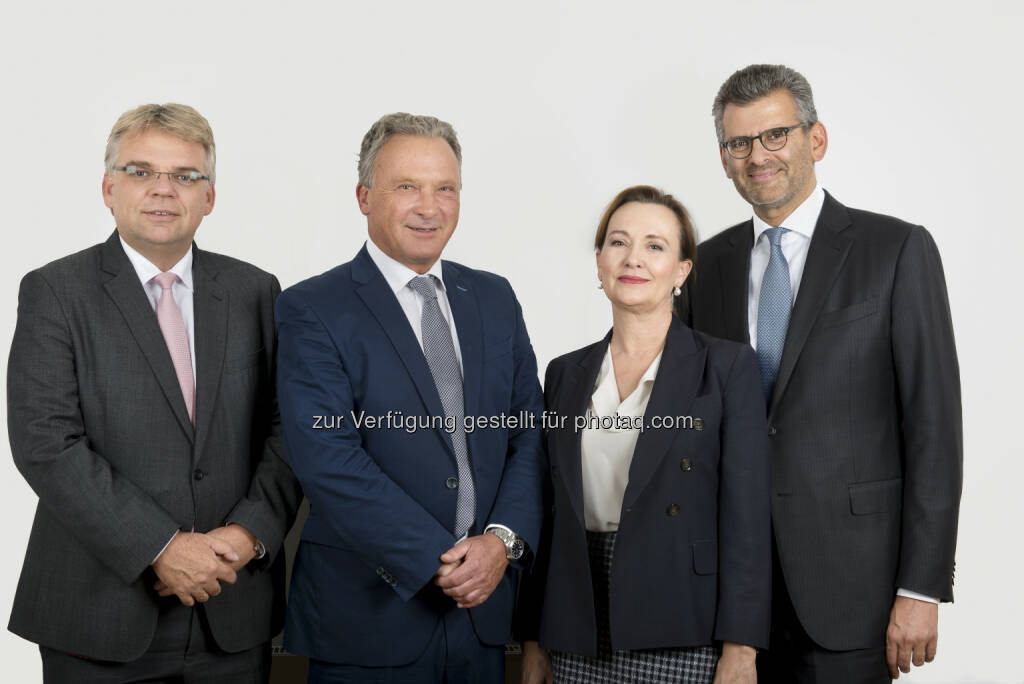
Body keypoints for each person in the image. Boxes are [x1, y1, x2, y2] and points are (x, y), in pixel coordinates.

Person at [679, 64, 963, 683]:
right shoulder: (704, 266)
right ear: (724, 159)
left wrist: (922, 586)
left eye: (775, 135)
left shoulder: (896, 250)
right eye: (739, 143)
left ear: (817, 139)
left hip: (855, 590)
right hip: (733, 596)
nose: (758, 156)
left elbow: (934, 430)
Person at [7, 103, 303, 682]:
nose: (164, 190)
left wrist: (248, 536)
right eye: (142, 172)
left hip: (232, 609)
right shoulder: (55, 291)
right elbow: (45, 442)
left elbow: (290, 428)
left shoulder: (255, 291)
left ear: (210, 196)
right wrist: (161, 547)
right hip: (98, 618)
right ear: (108, 187)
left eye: (186, 176)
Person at [276, 112, 546, 683]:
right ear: (364, 195)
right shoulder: (313, 308)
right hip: (368, 618)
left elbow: (530, 434)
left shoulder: (495, 298)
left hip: (484, 616)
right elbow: (328, 458)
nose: (430, 207)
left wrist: (499, 543)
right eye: (408, 187)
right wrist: (440, 562)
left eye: (445, 188)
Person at [517, 185, 771, 684]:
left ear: (682, 270)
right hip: (577, 623)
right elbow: (545, 512)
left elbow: (747, 519)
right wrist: (532, 638)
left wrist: (742, 649)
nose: (633, 258)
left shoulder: (727, 367)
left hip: (681, 621)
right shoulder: (564, 373)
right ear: (598, 261)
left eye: (655, 246)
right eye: (618, 242)